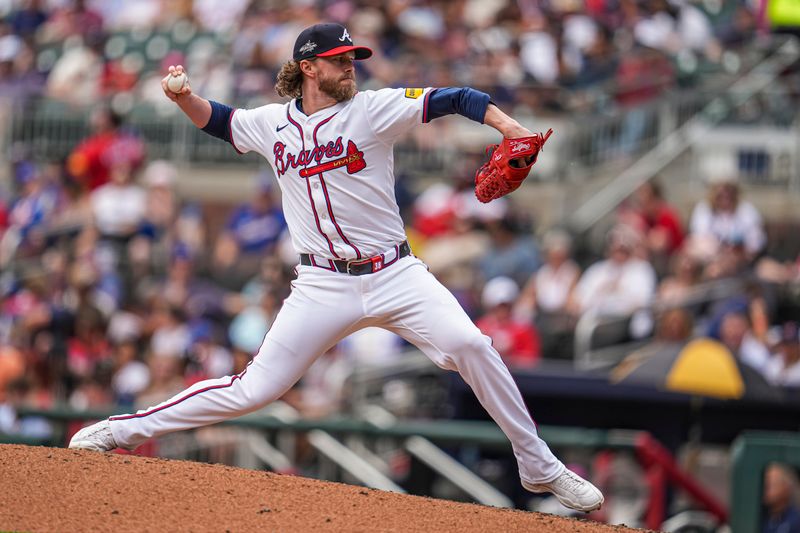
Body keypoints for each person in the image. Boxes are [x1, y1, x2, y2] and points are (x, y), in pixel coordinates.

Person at [69, 22, 603, 513]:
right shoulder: (272, 123)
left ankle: (539, 466)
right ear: (308, 67)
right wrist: (184, 97)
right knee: (255, 389)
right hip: (321, 283)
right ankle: (121, 431)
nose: (351, 66)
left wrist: (513, 129)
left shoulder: (372, 109)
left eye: (353, 58)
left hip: (395, 273)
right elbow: (222, 121)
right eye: (340, 59)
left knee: (470, 346)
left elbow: (455, 97)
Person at [762, 463, 800, 533]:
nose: (766, 490)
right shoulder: (763, 517)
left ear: (786, 488)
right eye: (765, 485)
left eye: (772, 485)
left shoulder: (795, 521)